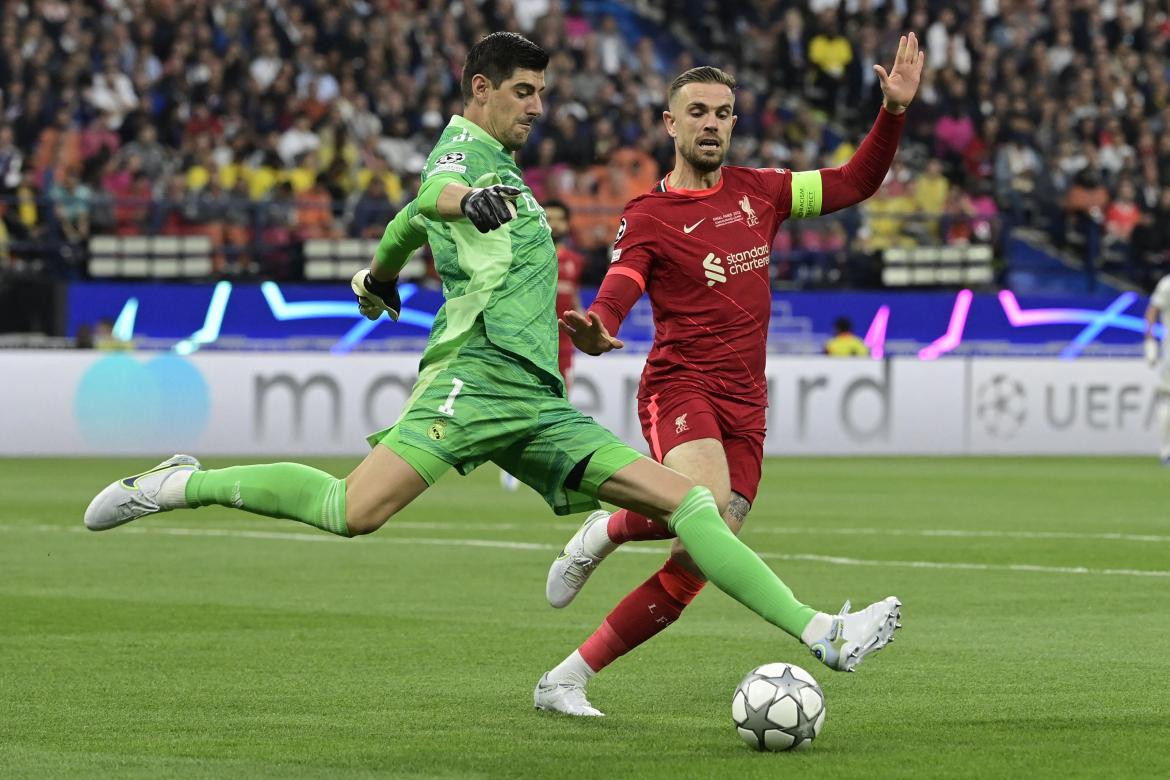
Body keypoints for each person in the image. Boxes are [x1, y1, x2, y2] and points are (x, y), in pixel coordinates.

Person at [83, 35, 892, 709]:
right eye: (526, 93)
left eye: (541, 92)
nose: (540, 107)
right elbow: (433, 193)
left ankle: (822, 631)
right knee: (351, 512)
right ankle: (177, 484)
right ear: (483, 89)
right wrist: (458, 206)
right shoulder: (465, 155)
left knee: (694, 506)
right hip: (474, 384)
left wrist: (379, 275)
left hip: (536, 400)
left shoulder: (518, 164)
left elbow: (405, 221)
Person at [537, 34, 924, 716]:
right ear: (671, 123)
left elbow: (855, 182)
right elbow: (621, 285)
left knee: (696, 564)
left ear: (734, 123)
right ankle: (823, 632)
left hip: (748, 406)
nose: (711, 123)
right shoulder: (649, 216)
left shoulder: (761, 193)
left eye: (723, 112)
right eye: (698, 112)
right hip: (680, 390)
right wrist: (600, 325)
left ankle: (567, 672)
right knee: (706, 512)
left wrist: (891, 112)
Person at [501, 198, 583, 491]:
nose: (555, 223)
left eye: (560, 218)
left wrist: (584, 321)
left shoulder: (575, 261)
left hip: (564, 347)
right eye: (549, 217)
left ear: (567, 223)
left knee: (560, 406)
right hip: (534, 342)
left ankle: (553, 466)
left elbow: (571, 297)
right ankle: (513, 462)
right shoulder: (526, 255)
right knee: (524, 402)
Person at [1143, 275, 1170, 464]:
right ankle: (1166, 451)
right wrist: (1150, 341)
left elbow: (1151, 313)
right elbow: (1152, 312)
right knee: (1168, 397)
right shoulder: (1168, 284)